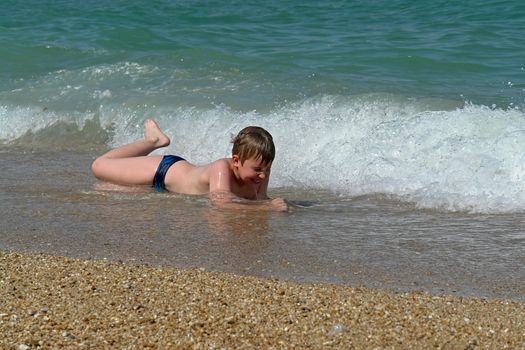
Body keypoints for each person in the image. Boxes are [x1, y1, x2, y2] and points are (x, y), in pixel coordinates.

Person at [91, 119, 288, 211]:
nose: (263, 175)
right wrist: (267, 208)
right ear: (236, 161)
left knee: (106, 190)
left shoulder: (259, 172)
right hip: (163, 171)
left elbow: (261, 199)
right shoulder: (222, 168)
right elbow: (221, 203)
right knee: (99, 166)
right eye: (258, 170)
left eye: (267, 169)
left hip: (163, 191)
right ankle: (154, 141)